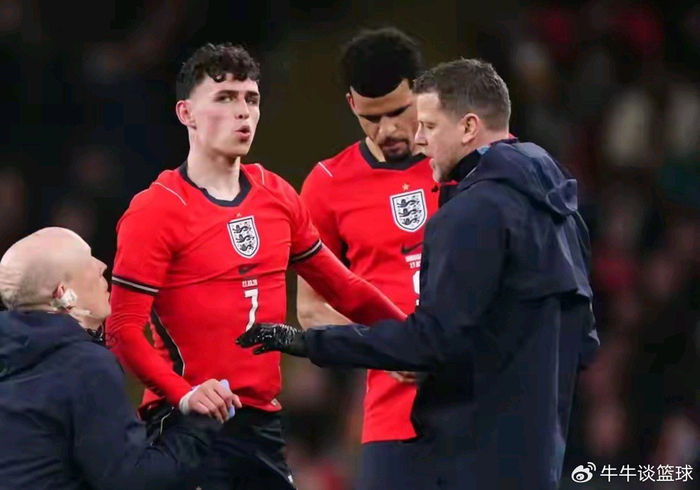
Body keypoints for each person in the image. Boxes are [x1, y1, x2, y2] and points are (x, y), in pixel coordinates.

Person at [238, 59, 599, 489]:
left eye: (428, 126)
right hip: (540, 450)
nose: (419, 139)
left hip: (471, 448)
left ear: (468, 128)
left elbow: (431, 341)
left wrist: (305, 342)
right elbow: (585, 341)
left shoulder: (467, 212)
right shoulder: (562, 206)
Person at [106, 43, 406, 490]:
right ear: (186, 113)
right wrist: (184, 394)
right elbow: (123, 329)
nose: (243, 112)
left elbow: (343, 287)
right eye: (225, 98)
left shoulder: (276, 194)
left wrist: (412, 340)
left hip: (261, 425)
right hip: (189, 423)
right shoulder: (156, 210)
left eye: (251, 98)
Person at [296, 27, 438, 490]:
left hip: (486, 403)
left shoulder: (471, 162)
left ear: (423, 91)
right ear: (351, 104)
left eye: (398, 112)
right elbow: (311, 309)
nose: (387, 130)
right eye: (371, 118)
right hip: (393, 419)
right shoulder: (327, 185)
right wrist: (385, 346)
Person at [0, 227, 233, 490]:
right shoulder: (85, 365)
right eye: (87, 261)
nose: (102, 266)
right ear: (63, 294)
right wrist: (199, 423)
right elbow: (132, 480)